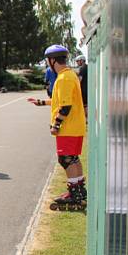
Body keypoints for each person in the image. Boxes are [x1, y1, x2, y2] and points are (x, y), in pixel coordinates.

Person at [28, 44, 87, 210]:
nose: (48, 64)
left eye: (48, 61)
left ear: (52, 60)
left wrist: (56, 124)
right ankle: (79, 192)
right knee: (73, 158)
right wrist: (41, 102)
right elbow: (61, 101)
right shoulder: (69, 75)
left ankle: (74, 195)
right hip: (75, 126)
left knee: (66, 159)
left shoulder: (63, 78)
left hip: (68, 127)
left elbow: (65, 106)